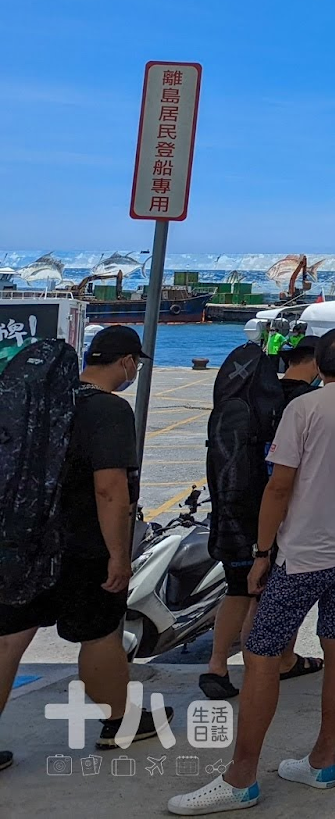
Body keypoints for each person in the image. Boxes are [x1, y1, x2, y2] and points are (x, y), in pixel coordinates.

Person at [168, 327, 335, 814]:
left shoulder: (303, 409)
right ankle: (323, 761)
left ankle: (241, 777)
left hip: (303, 556)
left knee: (260, 654)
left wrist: (260, 553)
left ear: (319, 364)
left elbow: (279, 488)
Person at [0, 327, 172, 774]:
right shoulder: (108, 410)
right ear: (127, 363)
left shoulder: (42, 403)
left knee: (9, 639)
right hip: (82, 546)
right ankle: (120, 722)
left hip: (26, 541)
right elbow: (110, 490)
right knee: (99, 634)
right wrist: (119, 554)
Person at [200, 336, 326, 700]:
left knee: (238, 588)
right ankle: (268, 666)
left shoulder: (257, 397)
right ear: (316, 364)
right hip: (275, 515)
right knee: (269, 593)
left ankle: (217, 665)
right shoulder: (304, 403)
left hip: (232, 507)